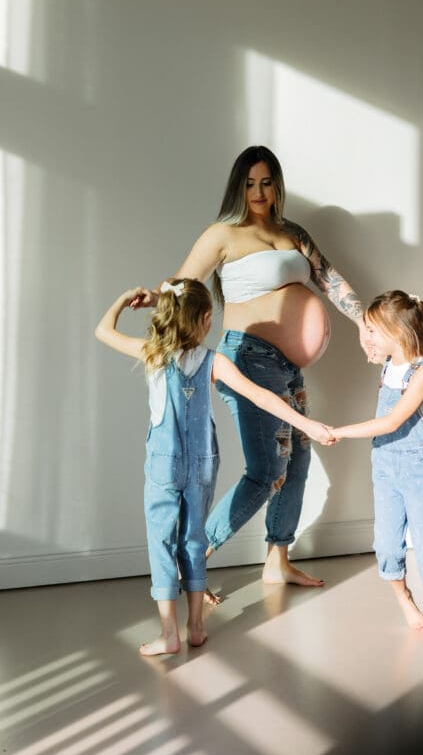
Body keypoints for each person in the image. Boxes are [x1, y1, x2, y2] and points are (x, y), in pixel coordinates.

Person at [131, 145, 365, 590]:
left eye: (266, 182)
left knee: (296, 462)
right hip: (247, 359)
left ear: (277, 185)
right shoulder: (224, 233)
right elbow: (183, 285)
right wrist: (156, 298)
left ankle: (278, 559)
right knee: (267, 469)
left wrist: (364, 322)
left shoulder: (293, 232)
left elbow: (328, 278)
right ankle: (194, 556)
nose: (258, 191)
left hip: (287, 366)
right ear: (240, 187)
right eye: (250, 183)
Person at [94, 277, 334, 656]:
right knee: (194, 541)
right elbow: (261, 395)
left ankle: (168, 633)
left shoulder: (152, 353)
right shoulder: (214, 361)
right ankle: (196, 628)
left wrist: (125, 299)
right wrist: (307, 425)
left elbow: (102, 331)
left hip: (163, 464)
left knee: (162, 543)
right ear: (207, 320)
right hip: (203, 464)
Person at [331, 289, 423, 653]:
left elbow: (390, 422)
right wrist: (373, 346)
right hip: (385, 466)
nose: (365, 336)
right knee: (386, 545)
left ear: (398, 332)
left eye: (372, 330)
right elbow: (375, 348)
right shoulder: (389, 365)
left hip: (418, 468)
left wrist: (339, 432)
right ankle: (403, 595)